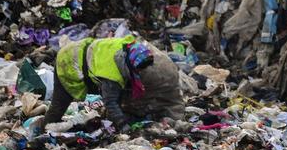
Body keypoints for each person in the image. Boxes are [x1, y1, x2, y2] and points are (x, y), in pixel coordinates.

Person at [43, 35, 184, 131]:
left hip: (87, 52)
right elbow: (110, 101)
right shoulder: (111, 75)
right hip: (69, 60)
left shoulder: (128, 46)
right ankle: (42, 130)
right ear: (130, 63)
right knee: (60, 103)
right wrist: (123, 125)